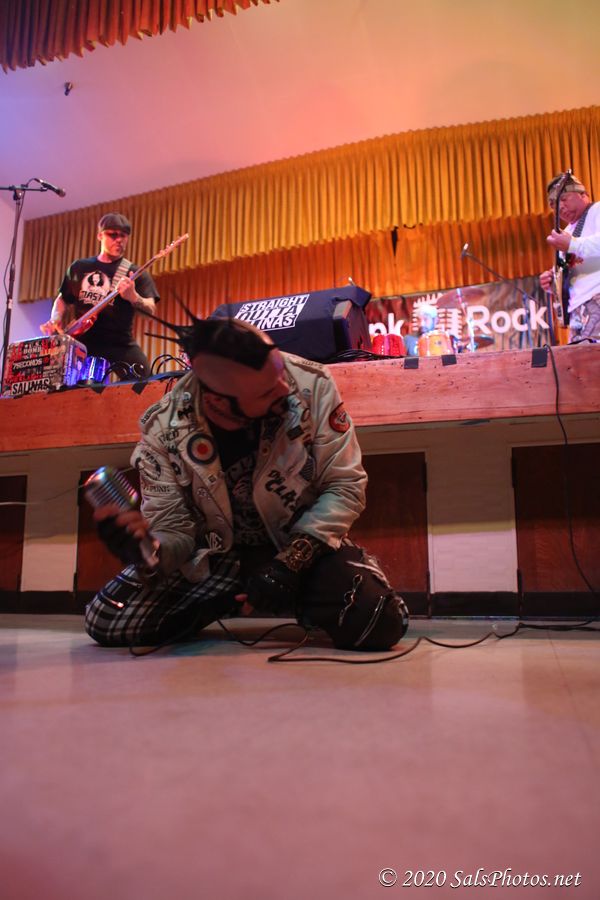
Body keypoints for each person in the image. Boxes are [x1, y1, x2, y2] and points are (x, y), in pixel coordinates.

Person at [84, 316, 409, 651]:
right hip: (217, 558)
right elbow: (174, 529)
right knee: (105, 619)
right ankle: (229, 600)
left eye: (280, 371)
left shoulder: (313, 385)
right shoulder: (162, 429)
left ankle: (294, 592)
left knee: (381, 622)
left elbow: (345, 485)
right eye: (267, 391)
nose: (284, 389)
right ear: (217, 402)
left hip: (300, 546)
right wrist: (148, 550)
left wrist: (288, 565)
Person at [40, 212, 159, 377]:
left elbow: (150, 309)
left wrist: (133, 297)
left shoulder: (134, 272)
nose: (119, 239)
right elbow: (63, 299)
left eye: (123, 235)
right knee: (59, 382)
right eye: (113, 235)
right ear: (100, 236)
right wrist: (55, 319)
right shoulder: (79, 267)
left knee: (145, 382)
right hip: (82, 342)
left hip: (119, 343)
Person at [540, 173, 600, 342]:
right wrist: (553, 282)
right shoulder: (566, 233)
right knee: (577, 358)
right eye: (554, 204)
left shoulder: (597, 210)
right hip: (576, 310)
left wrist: (573, 245)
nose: (559, 207)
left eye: (564, 199)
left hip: (597, 297)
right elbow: (571, 273)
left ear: (583, 194)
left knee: (591, 355)